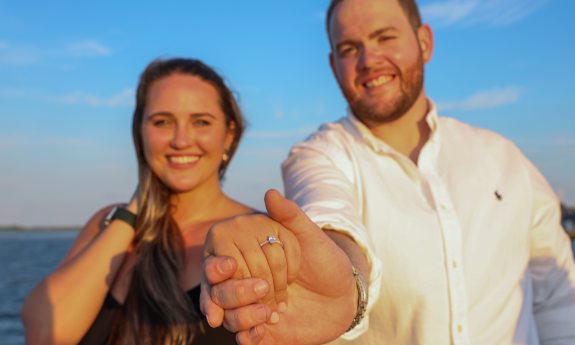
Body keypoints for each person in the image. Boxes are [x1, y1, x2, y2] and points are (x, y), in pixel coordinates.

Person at [202, 0, 575, 344]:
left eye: (385, 37)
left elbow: (558, 295)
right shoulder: (317, 155)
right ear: (333, 66)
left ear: (424, 43)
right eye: (349, 48)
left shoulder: (504, 157)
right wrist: (348, 287)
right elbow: (331, 219)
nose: (368, 58)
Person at [20, 58, 283, 345]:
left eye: (201, 122)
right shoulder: (110, 222)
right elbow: (44, 334)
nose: (181, 140)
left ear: (229, 135)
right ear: (139, 133)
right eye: (163, 122)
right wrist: (134, 212)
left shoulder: (260, 235)